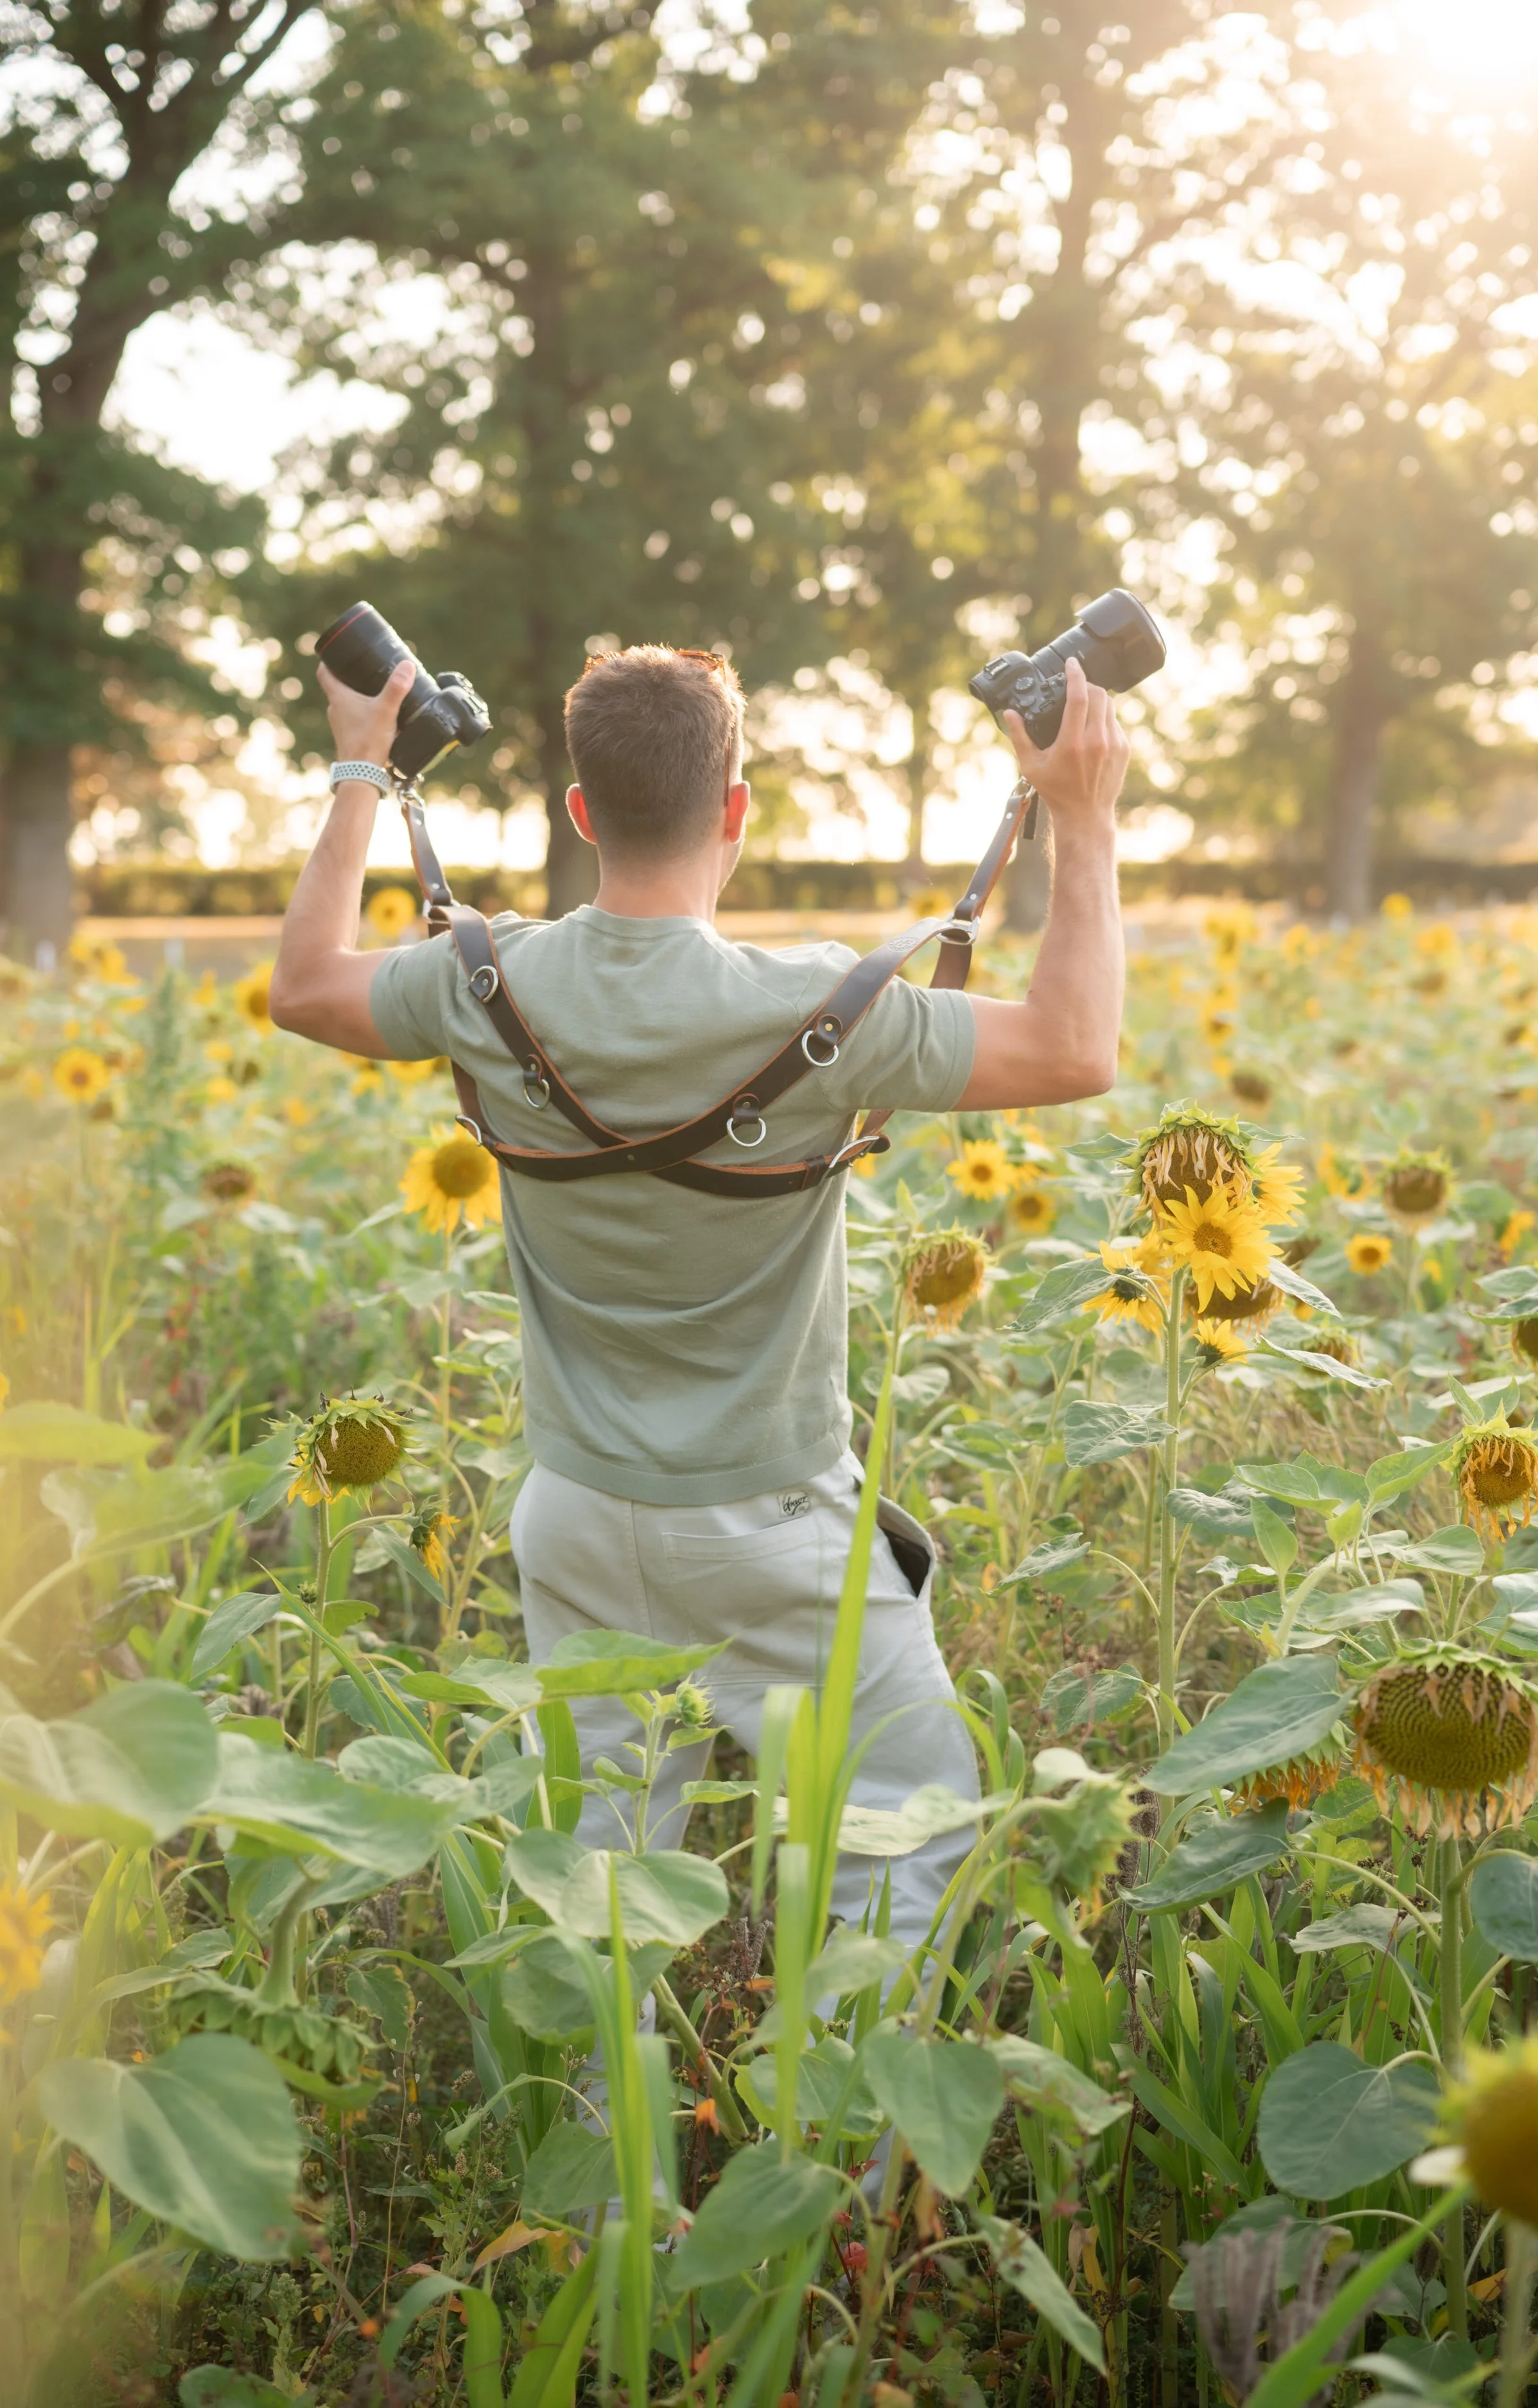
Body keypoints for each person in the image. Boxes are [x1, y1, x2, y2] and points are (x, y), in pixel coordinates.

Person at [270, 641, 1128, 1948]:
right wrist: (1079, 812)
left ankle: (615, 2137)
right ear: (735, 808)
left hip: (572, 1515)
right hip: (771, 1522)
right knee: (901, 1830)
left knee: (600, 1890)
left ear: (579, 812)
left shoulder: (480, 984)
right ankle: (838, 2137)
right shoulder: (821, 1010)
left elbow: (305, 987)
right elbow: (1074, 1048)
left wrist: (361, 770)